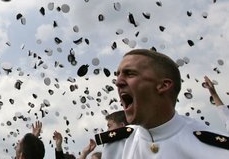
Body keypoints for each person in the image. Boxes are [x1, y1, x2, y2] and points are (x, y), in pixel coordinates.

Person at [95, 49, 229, 157]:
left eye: (130, 74)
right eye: (117, 75)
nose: (118, 82)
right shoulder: (117, 144)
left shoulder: (213, 149)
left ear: (164, 85)